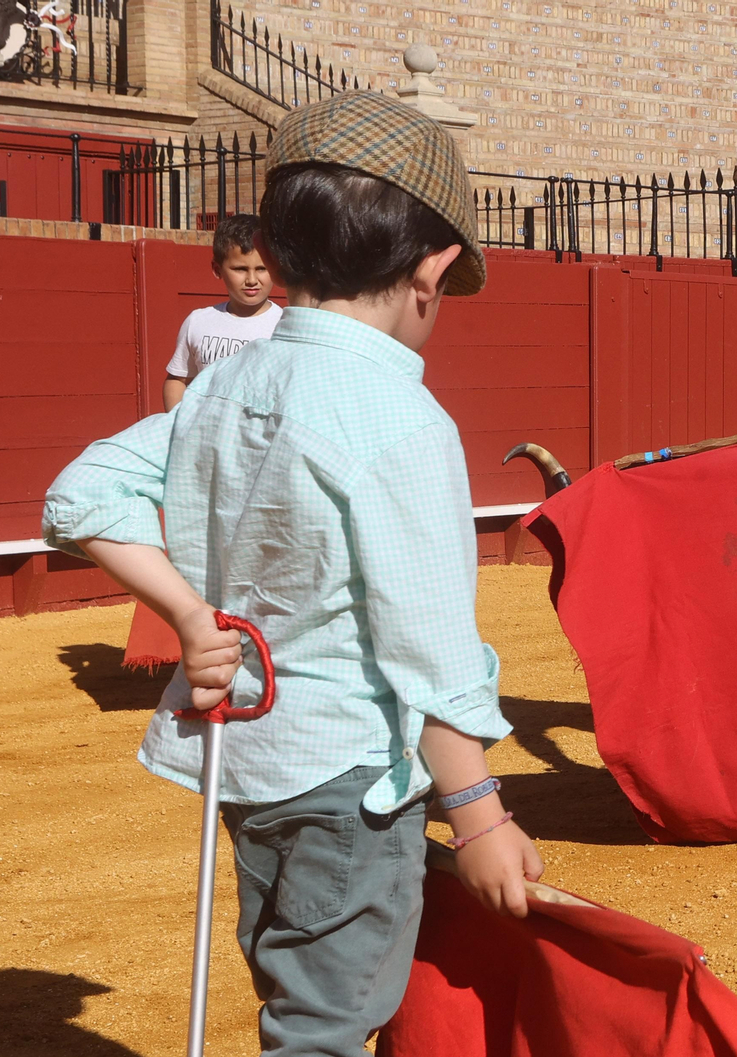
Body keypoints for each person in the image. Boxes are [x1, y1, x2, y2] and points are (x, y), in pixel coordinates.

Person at [41, 93, 543, 1056]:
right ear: (433, 269)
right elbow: (426, 644)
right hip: (349, 774)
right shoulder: (401, 420)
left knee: (293, 979)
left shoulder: (229, 381)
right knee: (323, 1023)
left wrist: (190, 616)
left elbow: (79, 495)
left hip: (251, 761)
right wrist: (477, 815)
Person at [162, 213, 282, 410]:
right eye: (240, 269)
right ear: (217, 270)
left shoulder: (284, 326)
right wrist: (176, 425)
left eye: (262, 268)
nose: (252, 279)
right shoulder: (198, 322)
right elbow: (178, 379)